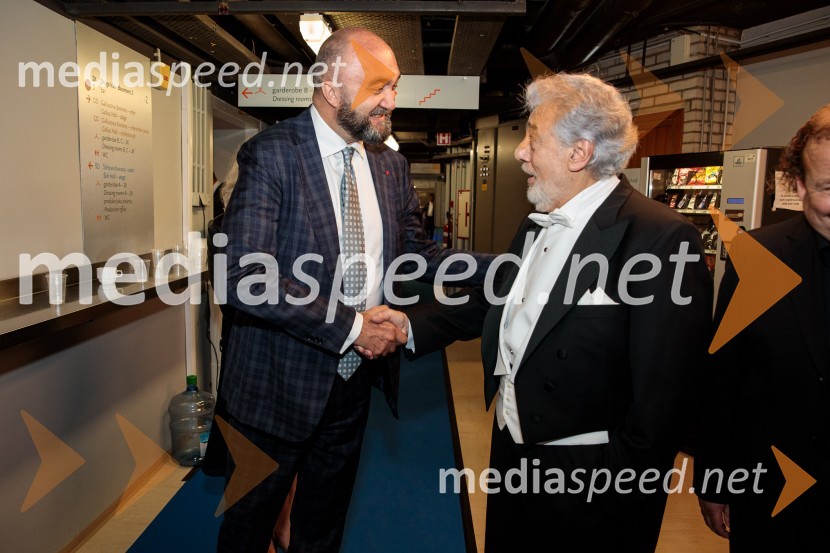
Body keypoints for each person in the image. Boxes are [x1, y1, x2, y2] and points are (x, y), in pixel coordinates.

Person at [388, 73, 713, 552]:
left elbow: (663, 399)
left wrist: (613, 490)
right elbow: (495, 299)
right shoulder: (537, 221)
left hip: (589, 488)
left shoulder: (661, 239)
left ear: (578, 154)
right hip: (511, 457)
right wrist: (409, 327)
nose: (521, 152)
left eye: (533, 139)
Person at [215, 27, 492, 552]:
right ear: (330, 86)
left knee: (322, 529)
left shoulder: (389, 165)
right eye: (379, 87)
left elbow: (421, 253)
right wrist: (353, 327)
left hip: (352, 384)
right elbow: (247, 277)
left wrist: (506, 268)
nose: (392, 100)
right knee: (246, 531)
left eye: (395, 85)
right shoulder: (272, 154)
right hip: (274, 388)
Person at [695, 104, 830, 550]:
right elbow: (723, 380)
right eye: (829, 187)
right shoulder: (759, 254)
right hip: (772, 497)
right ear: (798, 185)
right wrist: (715, 482)